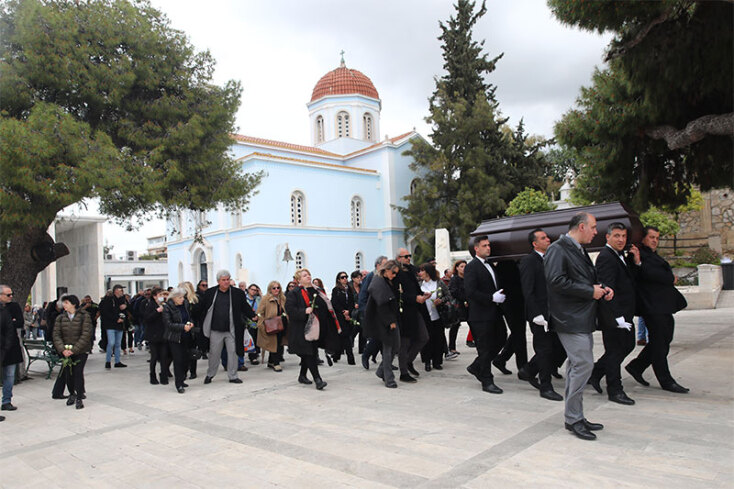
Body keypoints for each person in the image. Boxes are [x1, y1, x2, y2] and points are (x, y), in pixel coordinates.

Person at [545, 212, 613, 440]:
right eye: (593, 227)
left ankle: (575, 416)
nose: (596, 232)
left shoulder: (578, 249)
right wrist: (589, 291)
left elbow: (582, 279)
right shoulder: (557, 249)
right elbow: (556, 281)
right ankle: (573, 417)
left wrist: (600, 288)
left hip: (581, 316)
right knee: (584, 364)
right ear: (582, 226)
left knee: (578, 366)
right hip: (569, 318)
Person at [625, 226, 689, 394]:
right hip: (652, 306)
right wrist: (669, 277)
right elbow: (648, 274)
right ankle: (666, 380)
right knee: (660, 344)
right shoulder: (638, 254)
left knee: (665, 339)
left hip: (663, 305)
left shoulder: (651, 255)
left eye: (657, 238)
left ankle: (637, 366)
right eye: (651, 237)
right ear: (643, 238)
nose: (654, 240)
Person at [586, 223, 639, 405]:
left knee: (627, 346)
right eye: (616, 236)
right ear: (607, 237)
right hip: (615, 315)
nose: (621, 239)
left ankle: (596, 372)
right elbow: (607, 289)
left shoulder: (619, 255)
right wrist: (616, 317)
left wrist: (636, 261)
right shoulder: (606, 257)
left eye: (623, 236)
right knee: (615, 352)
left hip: (625, 313)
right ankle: (615, 390)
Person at [518, 228, 564, 401]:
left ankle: (528, 370)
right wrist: (536, 314)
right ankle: (546, 386)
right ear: (534, 243)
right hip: (540, 315)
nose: (548, 239)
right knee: (544, 350)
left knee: (555, 348)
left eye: (547, 237)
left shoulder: (550, 259)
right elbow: (528, 290)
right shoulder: (529, 261)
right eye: (543, 238)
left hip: (554, 312)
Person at [285, 268, 342, 390]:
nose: (308, 277)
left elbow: (326, 306)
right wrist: (304, 311)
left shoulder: (317, 291)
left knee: (310, 352)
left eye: (309, 274)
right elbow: (290, 310)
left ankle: (302, 375)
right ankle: (318, 380)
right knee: (310, 353)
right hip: (302, 329)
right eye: (305, 275)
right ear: (299, 279)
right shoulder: (294, 293)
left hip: (317, 327)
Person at [464, 236, 507, 394]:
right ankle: (487, 380)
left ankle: (476, 366)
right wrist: (491, 298)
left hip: (494, 312)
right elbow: (470, 292)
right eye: (484, 246)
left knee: (502, 337)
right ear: (476, 248)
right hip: (480, 315)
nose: (488, 248)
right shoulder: (472, 267)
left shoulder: (490, 265)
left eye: (489, 245)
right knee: (485, 347)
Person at [199, 270, 257, 384]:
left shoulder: (237, 293)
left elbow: (244, 306)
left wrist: (252, 316)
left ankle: (233, 376)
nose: (226, 282)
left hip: (232, 329)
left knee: (233, 353)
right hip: (215, 330)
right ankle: (210, 374)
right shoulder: (210, 293)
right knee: (214, 354)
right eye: (223, 280)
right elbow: (201, 307)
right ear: (218, 281)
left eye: (227, 280)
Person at [364, 260, 401, 388]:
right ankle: (388, 378)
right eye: (393, 272)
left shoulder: (387, 281)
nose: (394, 275)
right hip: (383, 321)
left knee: (395, 346)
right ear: (386, 270)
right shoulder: (378, 282)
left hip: (390, 318)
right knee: (388, 348)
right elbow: (382, 305)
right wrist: (390, 321)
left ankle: (381, 371)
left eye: (396, 273)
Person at [395, 248, 430, 383]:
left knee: (423, 337)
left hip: (415, 310)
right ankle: (403, 372)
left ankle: (408, 361)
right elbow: (398, 294)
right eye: (405, 256)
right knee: (404, 342)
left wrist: (422, 295)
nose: (409, 258)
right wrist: (414, 298)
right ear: (399, 258)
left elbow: (414, 288)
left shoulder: (411, 270)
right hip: (404, 312)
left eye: (409, 256)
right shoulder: (396, 272)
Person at [52, 295, 93, 409]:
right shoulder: (60, 318)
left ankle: (79, 396)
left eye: (66, 303)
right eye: (63, 303)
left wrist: (74, 350)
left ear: (73, 304)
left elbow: (86, 334)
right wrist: (63, 349)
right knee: (68, 374)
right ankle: (72, 394)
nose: (64, 305)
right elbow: (56, 335)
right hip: (65, 351)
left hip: (81, 350)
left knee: (77, 373)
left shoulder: (84, 316)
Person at [162, 287, 196, 393]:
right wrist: (182, 327)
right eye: (180, 297)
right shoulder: (168, 307)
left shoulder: (185, 304)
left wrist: (191, 323)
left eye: (183, 297)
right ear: (175, 298)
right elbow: (168, 324)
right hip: (175, 338)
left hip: (187, 335)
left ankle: (182, 378)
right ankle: (179, 383)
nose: (182, 299)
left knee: (186, 360)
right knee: (178, 360)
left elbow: (189, 316)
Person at [418, 262, 450, 371]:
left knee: (438, 339)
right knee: (426, 340)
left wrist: (440, 300)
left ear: (428, 272)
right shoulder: (419, 284)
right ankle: (427, 361)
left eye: (422, 270)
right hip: (424, 316)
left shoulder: (439, 283)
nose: (420, 273)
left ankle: (437, 361)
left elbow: (448, 295)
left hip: (437, 316)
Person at [359, 256, 388, 369]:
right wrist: (365, 311)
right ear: (378, 265)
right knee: (377, 337)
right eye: (385, 264)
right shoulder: (371, 276)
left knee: (384, 338)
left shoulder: (385, 277)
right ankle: (366, 355)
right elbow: (363, 295)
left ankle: (386, 362)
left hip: (382, 311)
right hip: (372, 312)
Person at [0, 284, 23, 414]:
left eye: (11, 294)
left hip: (11, 346)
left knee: (9, 375)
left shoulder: (14, 306)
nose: (11, 297)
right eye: (8, 295)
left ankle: (6, 401)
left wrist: (10, 322)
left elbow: (19, 322)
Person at [256, 281, 288, 372]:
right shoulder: (265, 299)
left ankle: (271, 361)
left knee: (278, 343)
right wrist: (260, 324)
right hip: (270, 325)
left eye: (278, 287)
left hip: (281, 324)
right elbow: (259, 312)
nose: (276, 290)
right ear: (270, 289)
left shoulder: (282, 298)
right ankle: (276, 363)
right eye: (274, 288)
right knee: (274, 344)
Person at [99, 284, 128, 368]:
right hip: (111, 325)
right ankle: (108, 361)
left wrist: (125, 308)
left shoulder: (122, 300)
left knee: (118, 344)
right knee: (111, 342)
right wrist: (116, 319)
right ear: (116, 291)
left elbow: (127, 309)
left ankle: (117, 361)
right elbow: (106, 312)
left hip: (119, 324)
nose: (122, 292)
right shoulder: (109, 300)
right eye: (121, 290)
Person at [144, 287, 169, 385]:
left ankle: (164, 375)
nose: (162, 297)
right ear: (154, 296)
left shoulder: (165, 305)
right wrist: (157, 311)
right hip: (153, 335)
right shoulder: (150, 305)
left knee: (164, 356)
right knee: (154, 356)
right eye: (160, 295)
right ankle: (152, 375)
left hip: (163, 334)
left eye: (163, 295)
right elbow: (147, 318)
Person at [331, 271, 356, 365]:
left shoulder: (349, 289)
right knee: (346, 336)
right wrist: (343, 312)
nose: (345, 279)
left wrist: (349, 311)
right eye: (342, 277)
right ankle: (350, 358)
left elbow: (352, 302)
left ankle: (336, 354)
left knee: (343, 336)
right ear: (338, 279)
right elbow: (334, 303)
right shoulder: (336, 290)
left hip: (348, 315)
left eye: (346, 277)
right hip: (340, 316)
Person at [179, 281, 201, 379]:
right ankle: (185, 371)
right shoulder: (179, 301)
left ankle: (192, 371)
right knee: (183, 351)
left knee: (192, 350)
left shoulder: (194, 300)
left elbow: (197, 314)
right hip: (182, 328)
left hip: (192, 329)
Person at [448, 260, 467, 356]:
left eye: (465, 266)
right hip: (458, 306)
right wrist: (464, 299)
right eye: (461, 266)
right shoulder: (454, 279)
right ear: (457, 268)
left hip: (469, 306)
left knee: (474, 325)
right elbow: (453, 292)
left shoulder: (468, 278)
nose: (464, 268)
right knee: (455, 326)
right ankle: (452, 348)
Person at [244, 284, 261, 367]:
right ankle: (252, 356)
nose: (253, 291)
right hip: (248, 322)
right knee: (251, 339)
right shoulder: (244, 299)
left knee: (257, 338)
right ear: (248, 289)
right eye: (252, 289)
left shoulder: (258, 299)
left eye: (255, 290)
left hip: (257, 321)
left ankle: (256, 353)